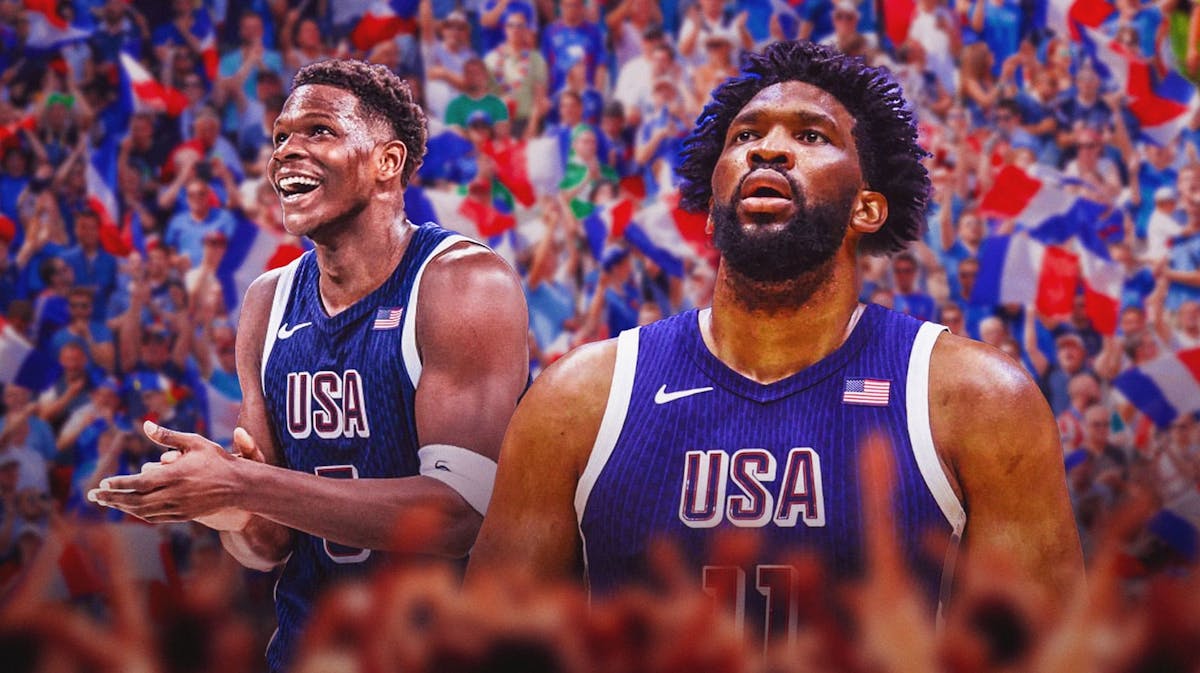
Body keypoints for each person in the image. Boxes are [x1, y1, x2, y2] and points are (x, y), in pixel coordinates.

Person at [469, 41, 1082, 632]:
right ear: (710, 210)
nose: (771, 150)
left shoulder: (979, 401)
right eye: (746, 135)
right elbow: (488, 650)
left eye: (811, 136)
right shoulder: (577, 399)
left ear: (866, 210)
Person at [89, 59, 530, 673]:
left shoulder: (461, 283)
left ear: (387, 162)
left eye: (318, 131)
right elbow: (270, 544)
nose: (286, 153)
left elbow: (458, 514)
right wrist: (223, 507)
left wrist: (244, 485)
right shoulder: (266, 302)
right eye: (279, 138)